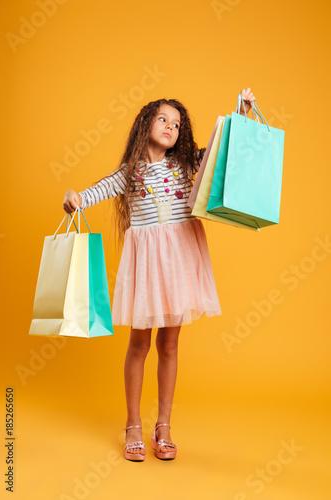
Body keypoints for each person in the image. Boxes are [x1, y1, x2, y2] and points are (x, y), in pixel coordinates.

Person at [63, 88, 256, 461]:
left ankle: (163, 426)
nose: (171, 126)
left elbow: (222, 150)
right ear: (145, 124)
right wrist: (74, 196)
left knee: (169, 345)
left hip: (180, 260)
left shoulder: (186, 165)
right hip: (148, 266)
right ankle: (133, 424)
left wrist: (242, 115)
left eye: (177, 123)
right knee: (140, 345)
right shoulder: (130, 172)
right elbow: (95, 191)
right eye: (163, 119)